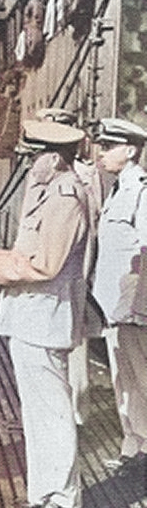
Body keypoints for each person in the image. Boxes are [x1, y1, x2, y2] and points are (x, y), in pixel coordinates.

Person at [0, 120, 90, 508]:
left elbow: (45, 264)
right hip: (30, 318)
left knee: (52, 412)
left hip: (46, 317)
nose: (29, 163)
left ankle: (65, 500)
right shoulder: (47, 192)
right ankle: (45, 492)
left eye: (34, 156)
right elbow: (27, 252)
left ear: (53, 157)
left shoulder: (66, 197)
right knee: (37, 413)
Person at [35, 107, 104, 426]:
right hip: (41, 277)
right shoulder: (40, 173)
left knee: (75, 350)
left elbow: (90, 228)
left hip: (71, 275)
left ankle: (77, 416)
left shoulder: (86, 176)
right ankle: (52, 415)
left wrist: (85, 276)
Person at [91, 117, 147, 477]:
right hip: (112, 304)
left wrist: (139, 306)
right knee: (122, 379)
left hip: (132, 306)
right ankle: (134, 445)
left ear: (129, 150)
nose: (100, 152)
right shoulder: (116, 189)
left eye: (108, 146)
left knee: (142, 377)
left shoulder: (141, 190)